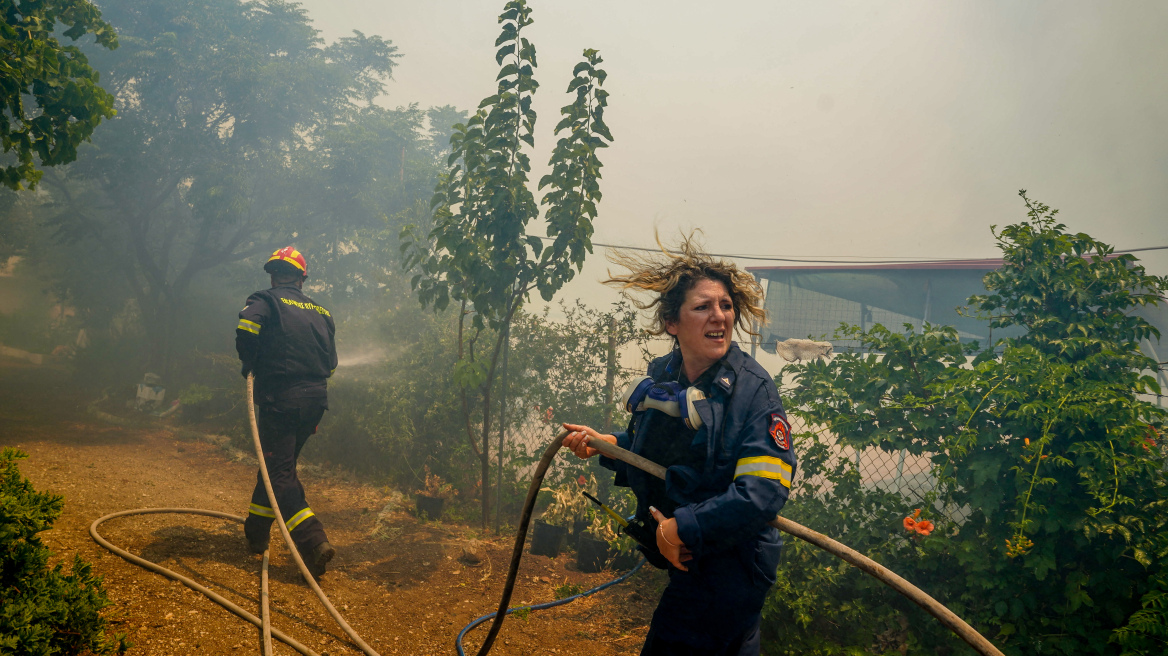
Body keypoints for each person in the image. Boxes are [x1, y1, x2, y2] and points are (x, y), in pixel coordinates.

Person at [562, 235, 796, 655]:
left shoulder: (753, 391)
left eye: (726, 305)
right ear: (673, 323)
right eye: (703, 307)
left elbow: (763, 490)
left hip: (733, 565)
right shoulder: (666, 374)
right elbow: (652, 448)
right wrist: (609, 444)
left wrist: (684, 527)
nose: (720, 316)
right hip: (693, 561)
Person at [236, 246, 338, 580]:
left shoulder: (265, 300)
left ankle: (313, 540)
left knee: (279, 473)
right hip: (315, 402)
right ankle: (256, 532)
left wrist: (249, 361)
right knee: (277, 466)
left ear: (273, 275)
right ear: (302, 279)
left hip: (282, 400)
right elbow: (332, 362)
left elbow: (247, 327)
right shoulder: (321, 312)